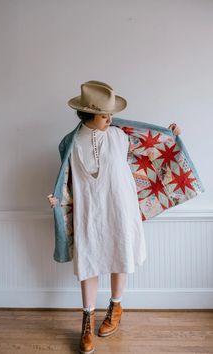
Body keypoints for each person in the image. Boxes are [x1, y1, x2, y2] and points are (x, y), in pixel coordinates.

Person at [47, 80, 181, 354]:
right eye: (104, 114)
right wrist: (57, 199)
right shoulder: (69, 143)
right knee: (89, 261)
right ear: (88, 114)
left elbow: (151, 150)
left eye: (110, 114)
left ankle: (116, 308)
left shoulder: (121, 136)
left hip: (120, 206)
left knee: (121, 253)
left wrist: (171, 135)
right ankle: (87, 319)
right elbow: (66, 181)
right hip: (89, 209)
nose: (110, 118)